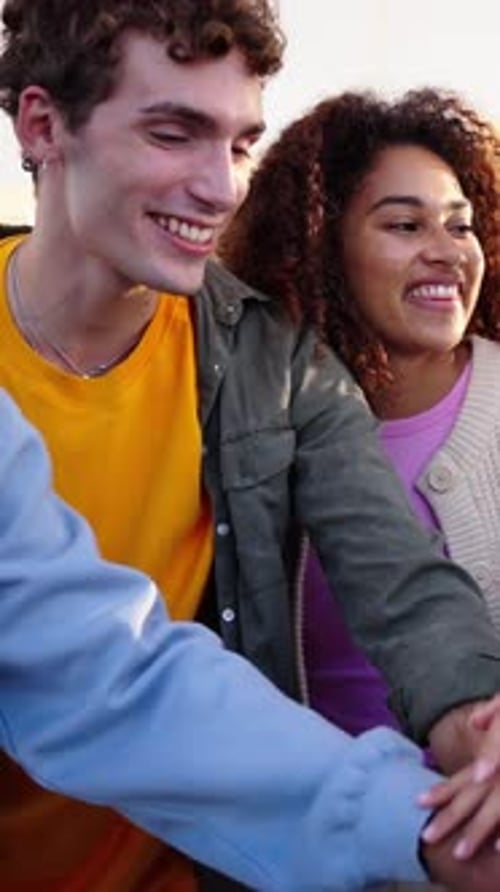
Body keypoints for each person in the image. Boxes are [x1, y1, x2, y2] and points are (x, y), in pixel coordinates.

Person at [2, 1, 500, 887]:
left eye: (238, 145)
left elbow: (399, 573)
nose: (222, 186)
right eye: (173, 133)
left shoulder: (275, 360)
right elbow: (96, 665)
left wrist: (478, 729)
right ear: (44, 124)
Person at [220, 86, 500, 877]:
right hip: (303, 853)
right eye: (405, 226)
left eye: (461, 225)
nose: (446, 251)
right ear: (320, 244)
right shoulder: (252, 419)